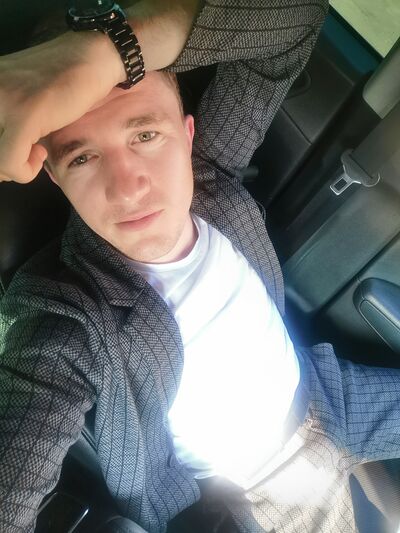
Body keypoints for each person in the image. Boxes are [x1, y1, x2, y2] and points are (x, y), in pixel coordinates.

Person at [1, 1, 400, 532]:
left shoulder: (209, 173)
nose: (128, 187)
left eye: (145, 135)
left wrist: (103, 54)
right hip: (243, 489)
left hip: (326, 395)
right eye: (82, 157)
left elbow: (298, 16)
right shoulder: (63, 310)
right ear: (54, 176)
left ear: (189, 136)